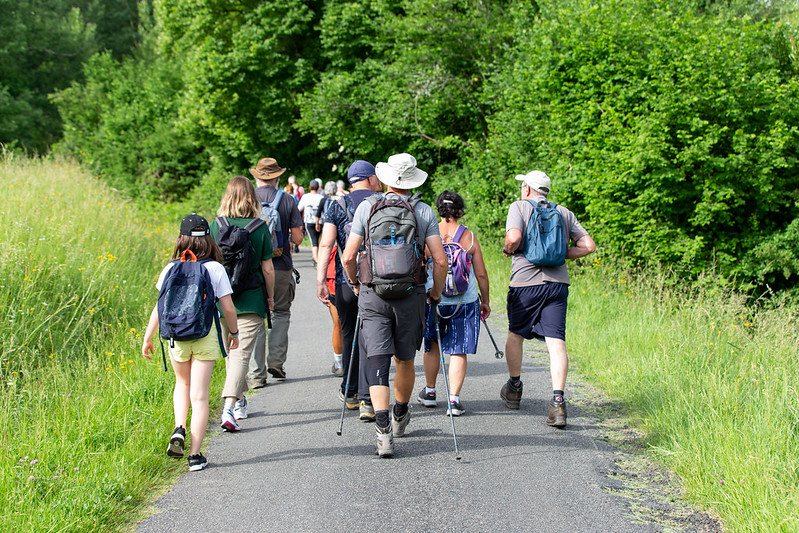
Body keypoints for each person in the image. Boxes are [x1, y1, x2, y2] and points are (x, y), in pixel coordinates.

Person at [342, 153, 447, 457]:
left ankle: (383, 430)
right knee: (403, 359)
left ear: (386, 179)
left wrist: (356, 283)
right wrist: (435, 293)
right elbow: (440, 260)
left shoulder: (366, 207)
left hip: (373, 294)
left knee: (376, 359)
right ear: (413, 180)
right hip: (410, 294)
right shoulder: (423, 211)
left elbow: (349, 256)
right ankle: (400, 414)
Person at [141, 214, 239, 471]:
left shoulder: (170, 268)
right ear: (209, 239)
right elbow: (227, 307)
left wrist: (148, 336)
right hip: (204, 335)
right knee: (200, 397)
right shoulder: (215, 269)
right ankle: (195, 455)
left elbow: (159, 307)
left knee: (181, 384)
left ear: (181, 239)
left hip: (177, 337)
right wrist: (234, 333)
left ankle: (179, 427)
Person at [501, 170, 596, 428]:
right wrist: (560, 253)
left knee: (516, 334)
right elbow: (588, 246)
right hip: (557, 284)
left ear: (527, 188)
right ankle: (557, 403)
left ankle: (514, 388)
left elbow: (514, 237)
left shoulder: (518, 207)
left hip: (525, 283)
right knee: (556, 342)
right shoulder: (564, 212)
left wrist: (508, 250)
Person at [317, 160, 383, 421]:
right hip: (377, 280)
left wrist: (321, 279)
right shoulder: (382, 201)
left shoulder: (338, 204)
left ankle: (350, 392)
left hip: (346, 280)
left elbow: (326, 244)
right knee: (372, 336)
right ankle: (369, 399)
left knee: (348, 333)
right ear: (370, 178)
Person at [210, 176, 275, 431]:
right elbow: (268, 268)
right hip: (250, 299)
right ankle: (229, 408)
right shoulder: (260, 227)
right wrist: (270, 297)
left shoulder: (216, 226)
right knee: (239, 355)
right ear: (252, 197)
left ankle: (239, 401)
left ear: (227, 196)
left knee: (231, 352)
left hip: (222, 301)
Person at [418, 191, 490, 416]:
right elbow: (481, 274)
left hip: (434, 298)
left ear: (438, 209)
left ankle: (430, 392)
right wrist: (485, 301)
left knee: (431, 344)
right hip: (464, 301)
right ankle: (454, 400)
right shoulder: (469, 237)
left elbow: (421, 265)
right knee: (459, 349)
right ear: (459, 210)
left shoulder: (430, 234)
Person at [249, 158, 304, 383]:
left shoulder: (247, 199)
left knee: (256, 316)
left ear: (257, 177)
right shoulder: (288, 200)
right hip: (280, 265)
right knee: (280, 312)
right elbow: (299, 237)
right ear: (277, 177)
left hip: (252, 268)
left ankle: (256, 374)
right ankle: (276, 363)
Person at [297, 180, 325, 266]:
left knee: (314, 241)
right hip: (320, 221)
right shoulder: (321, 197)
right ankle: (320, 258)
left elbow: (299, 208)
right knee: (321, 240)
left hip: (309, 221)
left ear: (309, 187)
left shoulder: (305, 197)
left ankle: (316, 259)